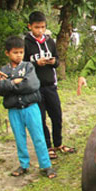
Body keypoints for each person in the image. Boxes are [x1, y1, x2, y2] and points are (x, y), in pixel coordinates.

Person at [0, 36, 56, 178]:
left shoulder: (29, 66)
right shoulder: (3, 70)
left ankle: (46, 165)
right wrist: (15, 82)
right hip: (14, 110)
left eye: (21, 52)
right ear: (7, 53)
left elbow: (32, 85)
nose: (19, 55)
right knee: (19, 138)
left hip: (31, 108)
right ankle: (23, 165)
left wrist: (10, 84)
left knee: (38, 136)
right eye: (15, 52)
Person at [24, 11, 75, 160]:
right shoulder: (26, 43)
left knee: (57, 115)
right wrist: (35, 63)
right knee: (41, 118)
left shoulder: (50, 42)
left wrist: (53, 62)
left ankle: (59, 143)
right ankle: (48, 146)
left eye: (43, 27)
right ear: (30, 26)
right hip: (35, 87)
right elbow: (23, 65)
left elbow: (58, 61)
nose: (40, 30)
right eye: (37, 27)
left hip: (50, 85)